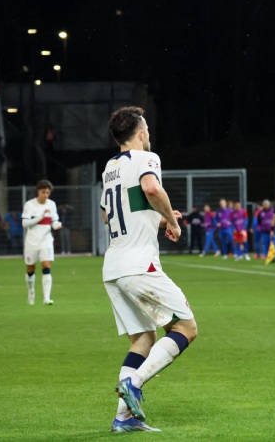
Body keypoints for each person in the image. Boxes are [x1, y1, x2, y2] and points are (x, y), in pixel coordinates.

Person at [101, 106, 197, 432]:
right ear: (140, 133)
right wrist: (171, 221)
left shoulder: (110, 167)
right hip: (139, 263)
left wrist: (159, 219)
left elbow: (109, 215)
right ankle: (135, 384)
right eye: (147, 130)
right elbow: (152, 189)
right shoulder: (147, 158)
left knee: (142, 339)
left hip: (113, 267)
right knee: (186, 328)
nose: (149, 135)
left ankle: (123, 420)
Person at [22, 180, 62, 305]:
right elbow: (25, 223)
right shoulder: (29, 205)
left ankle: (46, 298)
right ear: (38, 191)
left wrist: (56, 224)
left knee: (46, 266)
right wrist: (40, 217)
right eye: (43, 192)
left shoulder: (52, 204)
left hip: (46, 240)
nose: (45, 195)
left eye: (48, 192)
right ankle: (31, 291)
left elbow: (54, 220)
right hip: (31, 241)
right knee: (30, 268)